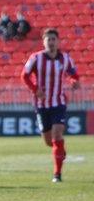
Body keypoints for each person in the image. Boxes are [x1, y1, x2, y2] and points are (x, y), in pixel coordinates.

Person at [21, 28, 81, 182]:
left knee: (57, 135)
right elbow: (24, 75)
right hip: (41, 105)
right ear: (44, 42)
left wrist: (74, 82)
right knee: (49, 141)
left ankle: (57, 174)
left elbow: (74, 74)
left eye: (54, 39)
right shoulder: (36, 58)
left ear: (58, 41)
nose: (51, 42)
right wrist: (35, 89)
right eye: (48, 40)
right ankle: (60, 151)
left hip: (58, 102)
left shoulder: (65, 59)